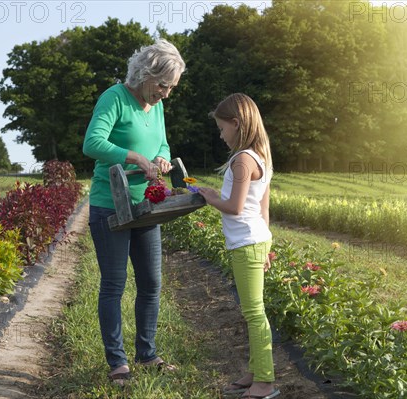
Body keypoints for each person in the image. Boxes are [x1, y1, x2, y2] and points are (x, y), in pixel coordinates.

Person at [82, 39, 185, 385]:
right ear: (145, 73)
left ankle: (147, 353)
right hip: (110, 205)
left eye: (171, 88)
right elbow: (92, 143)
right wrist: (135, 157)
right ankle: (117, 363)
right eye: (163, 85)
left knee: (151, 283)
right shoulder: (115, 98)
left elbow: (162, 143)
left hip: (146, 206)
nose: (166, 94)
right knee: (114, 283)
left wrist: (161, 157)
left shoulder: (155, 106)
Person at [198, 93, 280, 399]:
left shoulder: (242, 160)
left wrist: (208, 197)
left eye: (222, 129)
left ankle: (265, 383)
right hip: (256, 238)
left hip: (246, 243)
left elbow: (233, 206)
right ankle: (255, 371)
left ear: (237, 123)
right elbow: (263, 209)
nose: (221, 135)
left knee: (254, 312)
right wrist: (267, 246)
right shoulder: (261, 156)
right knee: (253, 310)